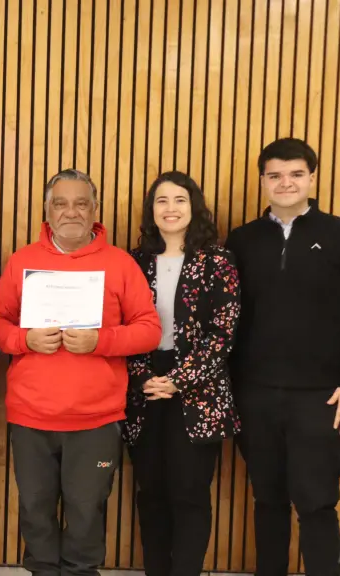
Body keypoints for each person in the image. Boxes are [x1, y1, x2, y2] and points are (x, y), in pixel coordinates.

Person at [226, 138, 340, 576]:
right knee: (268, 500)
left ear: (312, 178)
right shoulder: (241, 241)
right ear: (263, 181)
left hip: (322, 398)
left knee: (316, 502)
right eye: (275, 175)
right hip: (255, 396)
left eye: (296, 173)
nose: (286, 182)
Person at [0, 169, 161, 576]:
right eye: (61, 203)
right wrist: (24, 341)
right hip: (31, 417)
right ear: (47, 211)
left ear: (95, 210)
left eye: (81, 203)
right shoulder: (22, 261)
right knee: (35, 511)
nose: (71, 212)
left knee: (87, 513)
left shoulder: (119, 264)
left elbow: (149, 329)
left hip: (96, 420)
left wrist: (100, 341)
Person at [124, 171, 241, 576]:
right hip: (144, 387)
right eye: (161, 201)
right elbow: (120, 324)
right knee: (151, 493)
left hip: (199, 389)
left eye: (179, 200)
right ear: (150, 210)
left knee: (190, 494)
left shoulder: (217, 260)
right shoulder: (134, 261)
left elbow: (222, 333)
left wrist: (180, 378)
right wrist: (143, 376)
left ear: (194, 208)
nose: (170, 209)